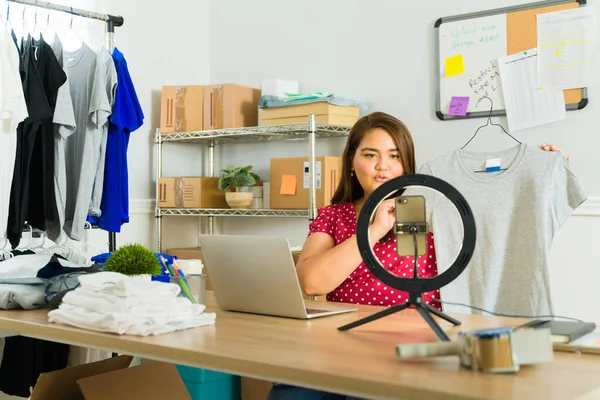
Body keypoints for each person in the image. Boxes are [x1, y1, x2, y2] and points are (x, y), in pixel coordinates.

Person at [267, 112, 570, 400]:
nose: (382, 167)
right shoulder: (334, 216)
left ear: (407, 164)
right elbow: (312, 283)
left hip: (410, 345)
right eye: (370, 155)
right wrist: (372, 231)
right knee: (289, 393)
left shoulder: (431, 208)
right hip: (341, 343)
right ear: (351, 162)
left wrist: (546, 176)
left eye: (394, 156)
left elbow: (500, 212)